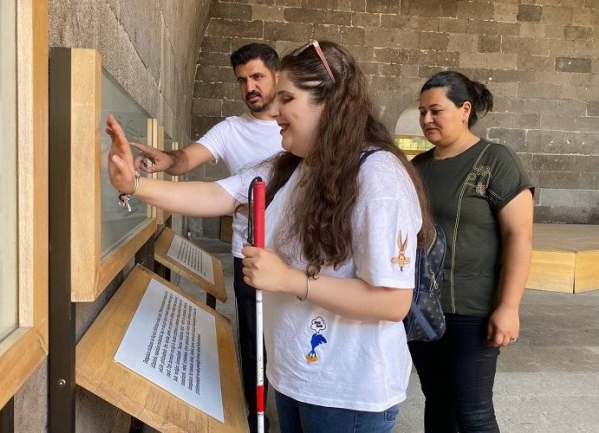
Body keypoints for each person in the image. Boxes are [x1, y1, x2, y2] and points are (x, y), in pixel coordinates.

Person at [108, 39, 435, 433]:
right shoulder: (294, 165)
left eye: (287, 98)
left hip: (347, 391)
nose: (275, 110)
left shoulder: (378, 176)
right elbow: (218, 195)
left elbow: (392, 301)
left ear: (329, 103)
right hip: (296, 377)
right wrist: (134, 185)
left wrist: (290, 279)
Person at [129, 42, 282, 432]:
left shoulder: (295, 127)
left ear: (277, 76)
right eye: (242, 80)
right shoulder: (232, 130)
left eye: (257, 77)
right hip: (251, 253)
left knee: (293, 340)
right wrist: (167, 160)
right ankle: (256, 418)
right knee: (254, 343)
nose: (250, 87)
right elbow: (187, 160)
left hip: (293, 256)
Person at [410, 71, 534, 433]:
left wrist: (508, 307)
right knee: (437, 401)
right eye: (422, 112)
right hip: (423, 308)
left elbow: (519, 237)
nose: (427, 119)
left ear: (465, 110)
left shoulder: (494, 160)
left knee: (473, 411)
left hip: (472, 311)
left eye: (436, 110)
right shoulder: (418, 167)